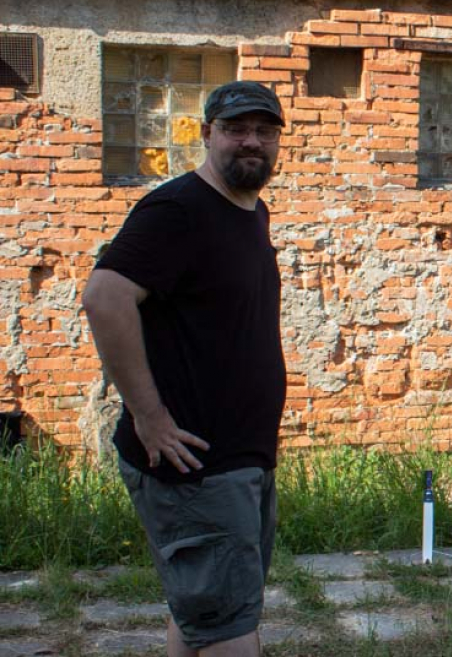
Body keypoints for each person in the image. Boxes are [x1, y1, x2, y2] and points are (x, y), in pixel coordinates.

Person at [82, 81, 288, 656]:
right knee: (228, 631)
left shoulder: (249, 210)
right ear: (206, 135)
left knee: (204, 613)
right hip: (194, 465)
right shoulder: (177, 210)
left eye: (265, 131)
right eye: (236, 129)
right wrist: (148, 417)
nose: (252, 142)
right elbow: (105, 297)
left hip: (237, 460)